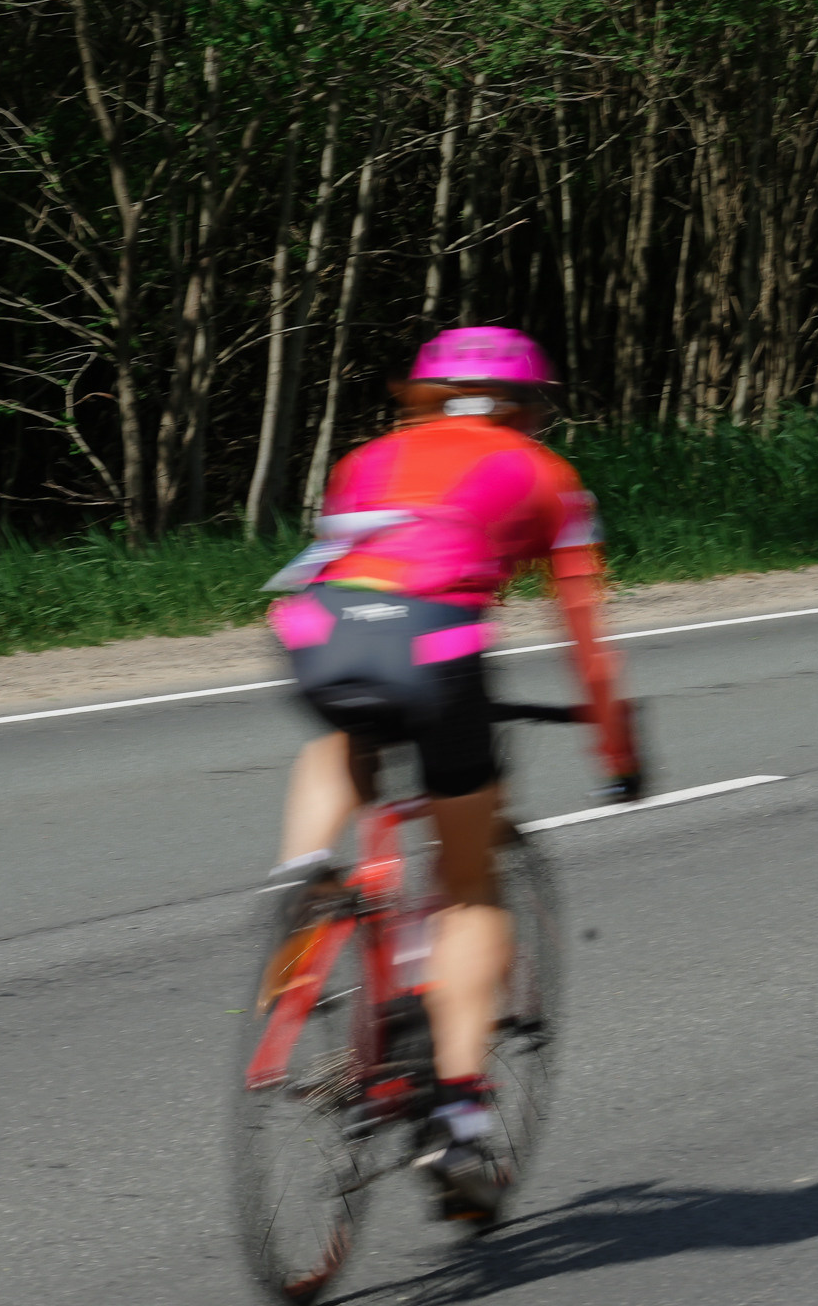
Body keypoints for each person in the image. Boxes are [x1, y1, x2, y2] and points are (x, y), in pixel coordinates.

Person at [260, 325, 640, 1225]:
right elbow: (585, 637)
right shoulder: (548, 479)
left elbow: (337, 564)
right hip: (436, 647)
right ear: (521, 405)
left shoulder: (366, 458)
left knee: (347, 740)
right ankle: (459, 1120)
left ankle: (308, 874)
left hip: (316, 632)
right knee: (469, 889)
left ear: (430, 395)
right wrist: (616, 751)